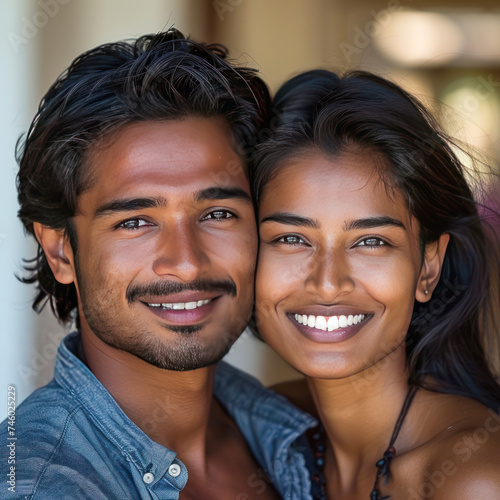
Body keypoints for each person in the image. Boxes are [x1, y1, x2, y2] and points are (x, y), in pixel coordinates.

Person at [1, 29, 318, 500]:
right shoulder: (39, 485)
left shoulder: (298, 430)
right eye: (135, 222)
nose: (187, 265)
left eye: (217, 214)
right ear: (60, 250)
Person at [252, 69, 500, 499]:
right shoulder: (261, 428)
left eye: (370, 241)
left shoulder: (472, 476)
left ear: (427, 267)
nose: (328, 284)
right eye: (291, 239)